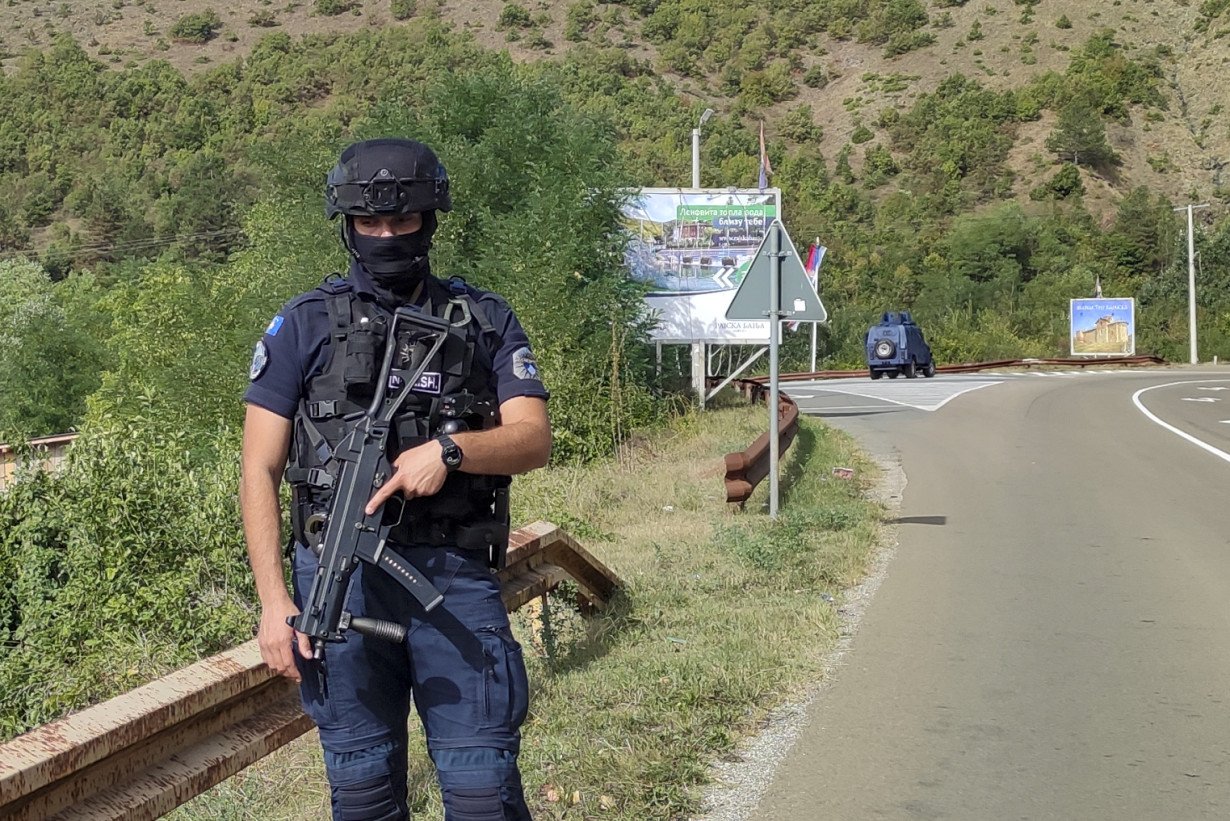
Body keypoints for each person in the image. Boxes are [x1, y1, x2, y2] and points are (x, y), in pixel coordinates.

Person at [240, 137, 551, 821]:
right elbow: (258, 466)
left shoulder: (483, 320)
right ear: (347, 224)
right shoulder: (302, 325)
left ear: (429, 220)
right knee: (364, 793)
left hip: (453, 582)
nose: (385, 235)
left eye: (402, 221)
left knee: (481, 792)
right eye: (370, 223)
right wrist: (271, 602)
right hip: (337, 581)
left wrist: (452, 452)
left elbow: (533, 438)